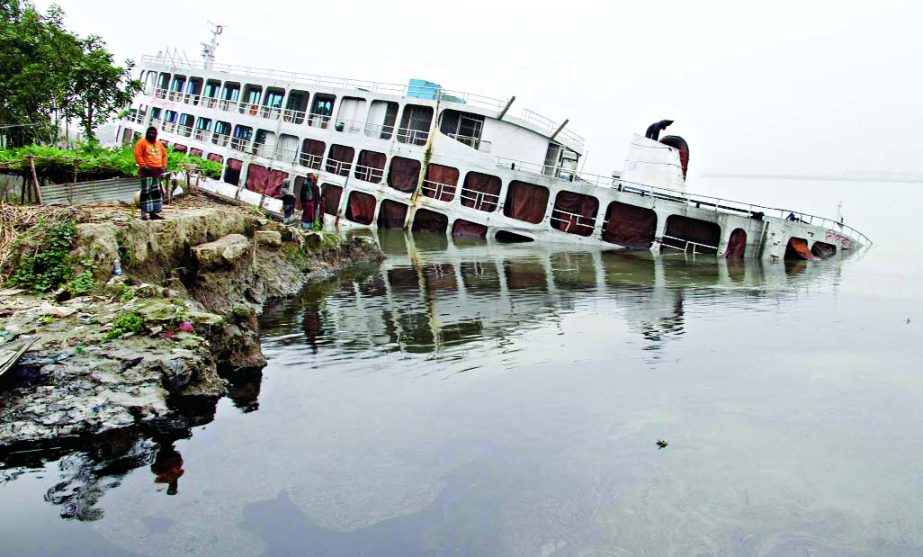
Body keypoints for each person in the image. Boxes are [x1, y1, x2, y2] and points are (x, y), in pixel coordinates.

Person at [133, 126, 168, 220]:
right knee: (146, 191)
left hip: (157, 171)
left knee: (155, 192)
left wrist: (163, 166)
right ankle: (143, 213)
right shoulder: (141, 142)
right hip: (147, 171)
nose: (151, 135)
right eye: (150, 133)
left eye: (153, 133)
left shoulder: (159, 144)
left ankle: (153, 213)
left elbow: (164, 155)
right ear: (146, 133)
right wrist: (144, 166)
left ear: (156, 135)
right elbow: (137, 155)